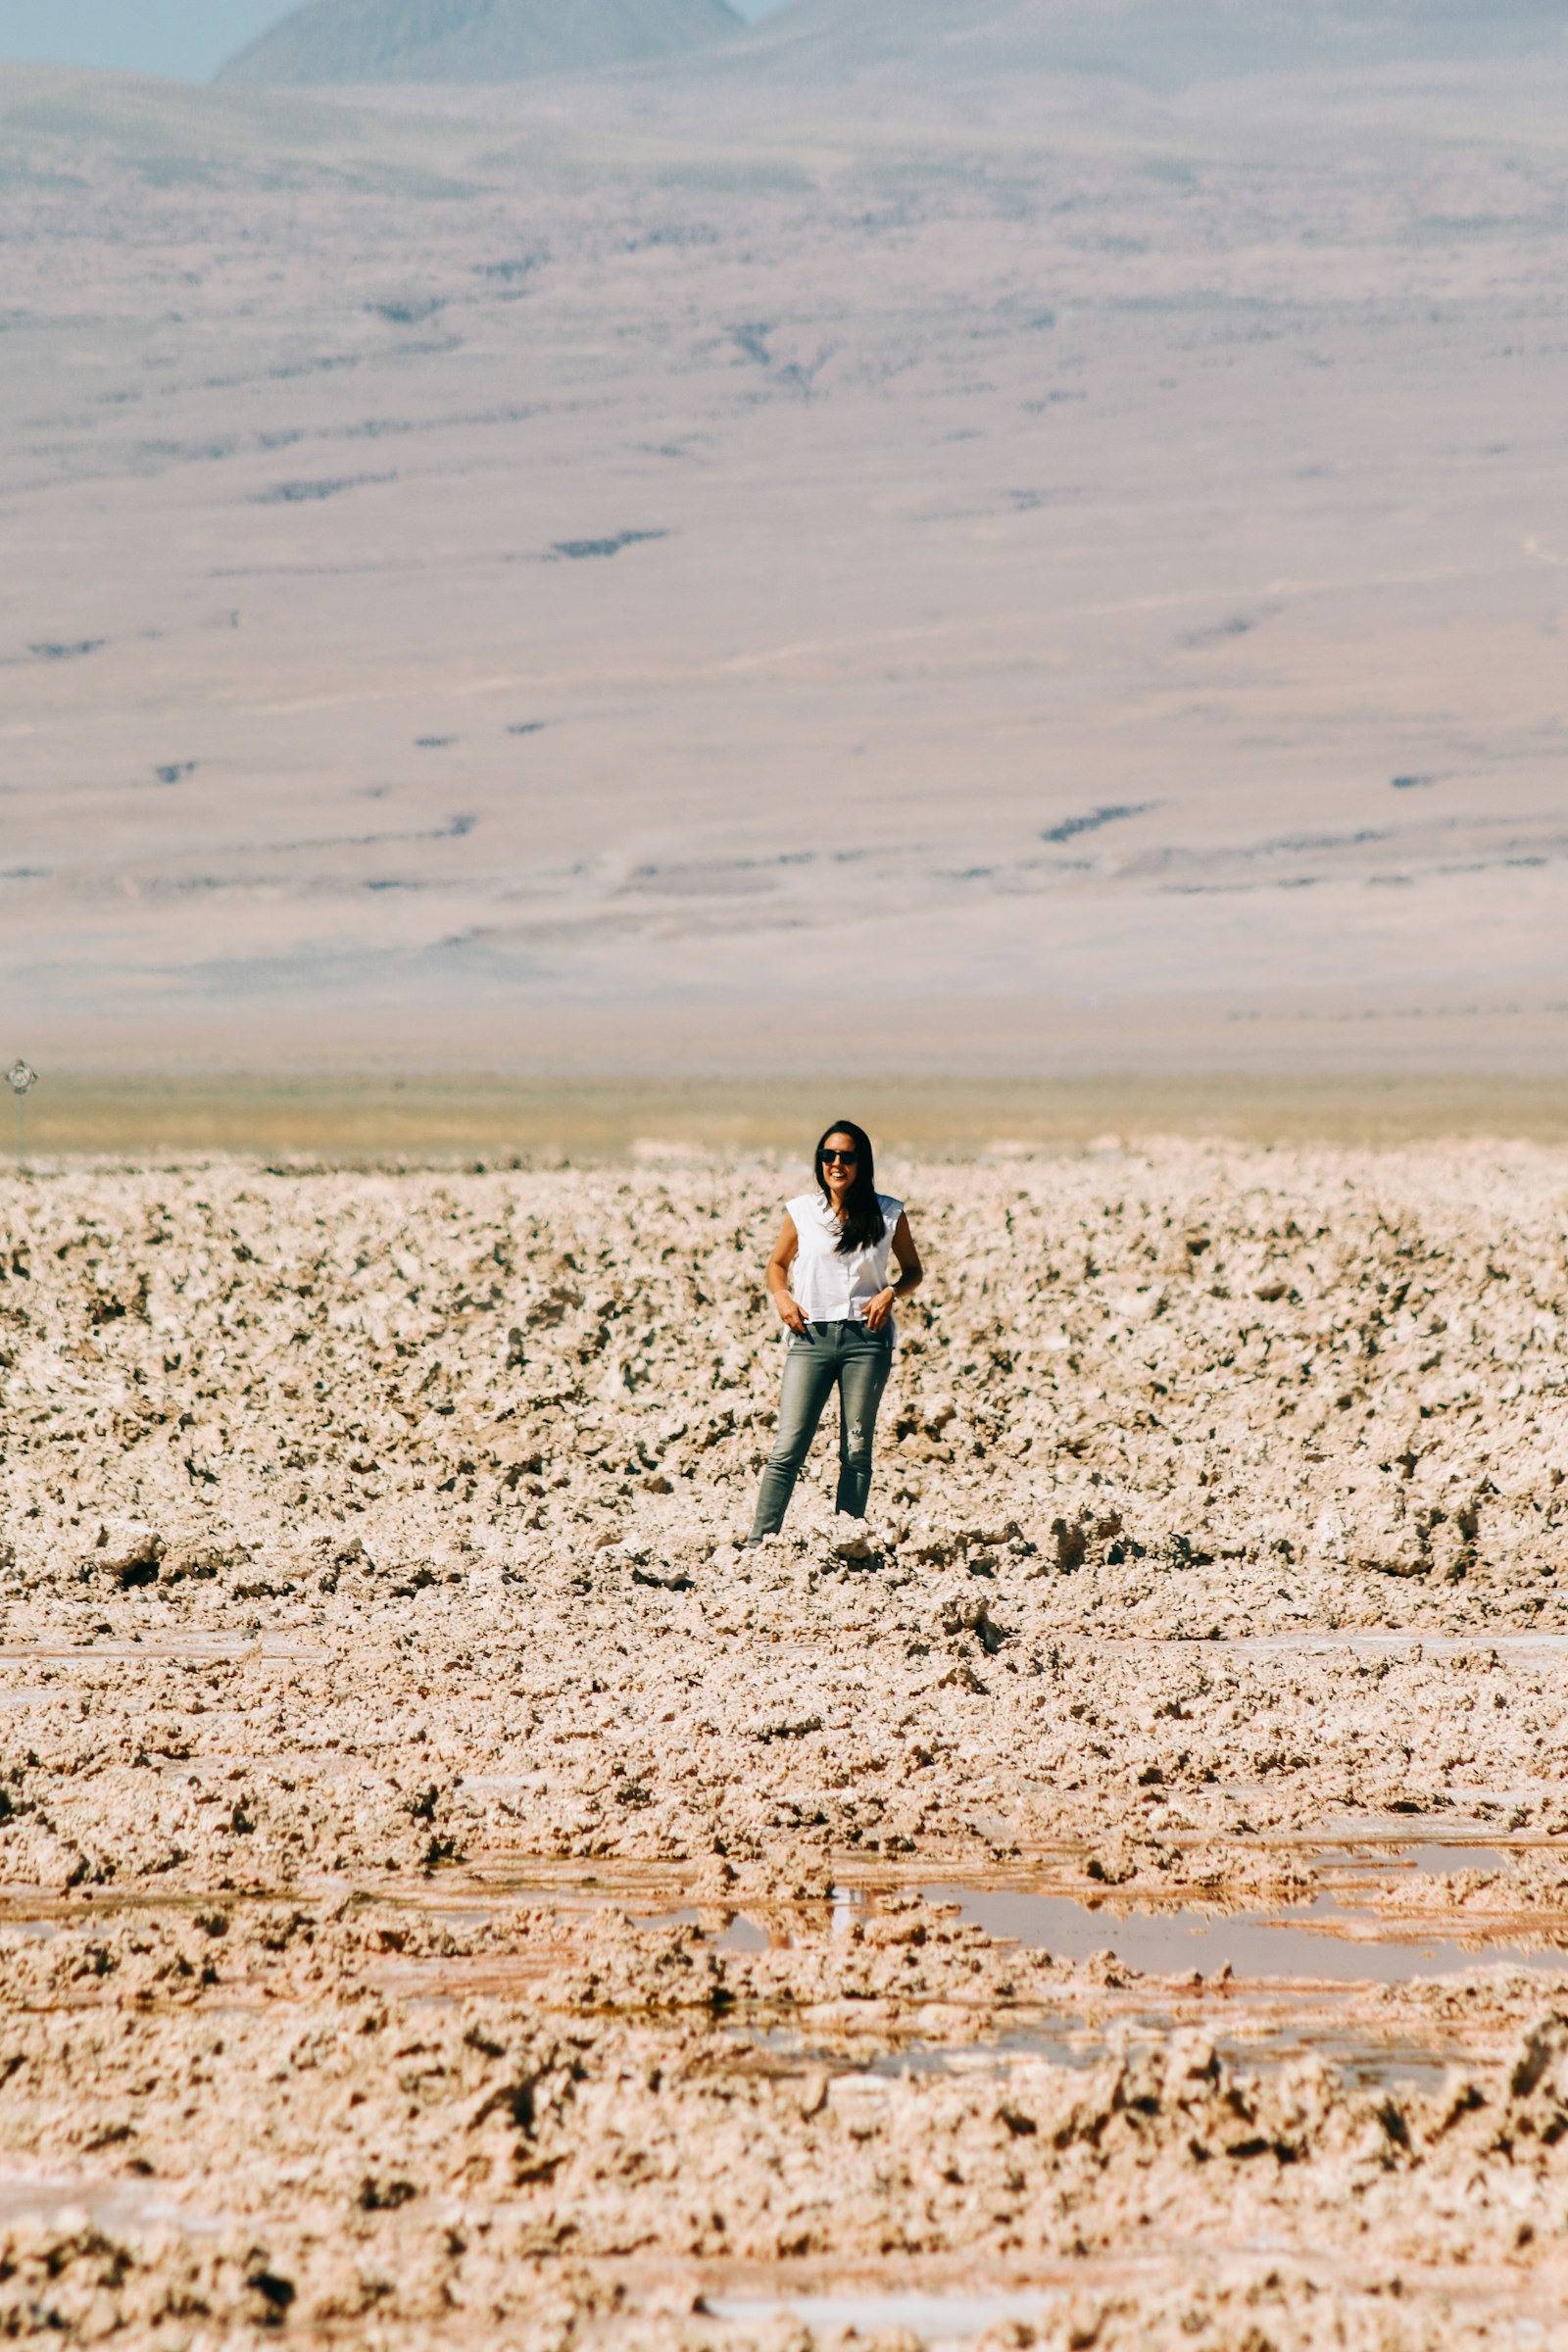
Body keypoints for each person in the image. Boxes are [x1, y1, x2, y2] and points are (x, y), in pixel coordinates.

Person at [747, 1120, 924, 1542]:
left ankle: (846, 1540)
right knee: (787, 1448)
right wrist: (782, 1297)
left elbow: (913, 1271)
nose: (837, 1163)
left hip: (868, 1340)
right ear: (820, 1161)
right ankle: (758, 1543)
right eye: (829, 1155)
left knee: (857, 1450)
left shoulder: (889, 1212)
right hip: (810, 1339)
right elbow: (776, 1264)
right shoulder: (802, 1212)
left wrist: (891, 1294)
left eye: (847, 1156)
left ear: (863, 1162)